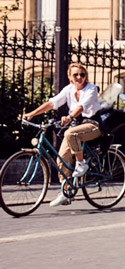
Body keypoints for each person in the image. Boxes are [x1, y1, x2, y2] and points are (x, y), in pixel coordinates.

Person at [21, 62, 103, 206]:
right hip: (75, 127)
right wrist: (32, 114)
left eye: (82, 74)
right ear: (70, 77)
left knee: (70, 133)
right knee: (62, 158)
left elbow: (82, 106)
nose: (79, 78)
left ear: (85, 76)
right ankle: (66, 191)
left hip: (92, 125)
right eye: (75, 75)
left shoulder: (92, 89)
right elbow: (53, 103)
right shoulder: (69, 89)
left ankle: (81, 163)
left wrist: (70, 117)